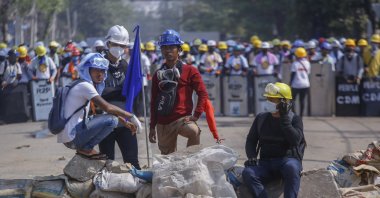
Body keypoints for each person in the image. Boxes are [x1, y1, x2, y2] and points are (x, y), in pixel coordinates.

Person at [58, 53, 142, 159]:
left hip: (70, 135)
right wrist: (130, 116)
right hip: (73, 136)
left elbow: (102, 111)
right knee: (112, 121)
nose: (100, 74)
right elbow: (107, 107)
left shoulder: (81, 84)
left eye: (103, 71)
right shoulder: (85, 86)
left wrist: (124, 122)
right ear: (87, 70)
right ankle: (87, 148)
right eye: (96, 70)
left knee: (109, 118)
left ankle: (86, 148)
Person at [149, 29, 208, 155]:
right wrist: (152, 127)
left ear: (179, 50)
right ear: (161, 50)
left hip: (183, 119)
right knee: (168, 161)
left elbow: (202, 93)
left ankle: (188, 161)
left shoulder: (190, 70)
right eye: (165, 48)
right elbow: (154, 101)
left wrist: (196, 115)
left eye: (172, 47)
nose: (168, 51)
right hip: (163, 122)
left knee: (194, 131)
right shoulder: (157, 75)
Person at [242, 82, 305, 198]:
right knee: (248, 173)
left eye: (273, 100)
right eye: (268, 99)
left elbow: (295, 140)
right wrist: (251, 156)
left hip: (287, 161)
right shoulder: (261, 118)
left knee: (292, 168)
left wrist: (284, 119)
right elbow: (251, 140)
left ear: (284, 102)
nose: (269, 102)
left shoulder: (294, 119)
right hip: (266, 163)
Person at [98, 25, 142, 169]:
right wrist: (120, 90)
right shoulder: (99, 65)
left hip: (125, 123)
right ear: (108, 43)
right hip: (105, 122)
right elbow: (99, 93)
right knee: (107, 163)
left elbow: (130, 93)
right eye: (115, 44)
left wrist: (135, 114)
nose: (118, 48)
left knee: (132, 162)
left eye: (122, 45)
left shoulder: (125, 65)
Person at [290, 47, 310, 117]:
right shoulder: (307, 63)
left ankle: (294, 114)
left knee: (292, 100)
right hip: (305, 84)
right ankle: (301, 115)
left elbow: (293, 75)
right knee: (302, 100)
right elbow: (308, 73)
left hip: (296, 84)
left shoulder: (295, 64)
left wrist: (290, 83)